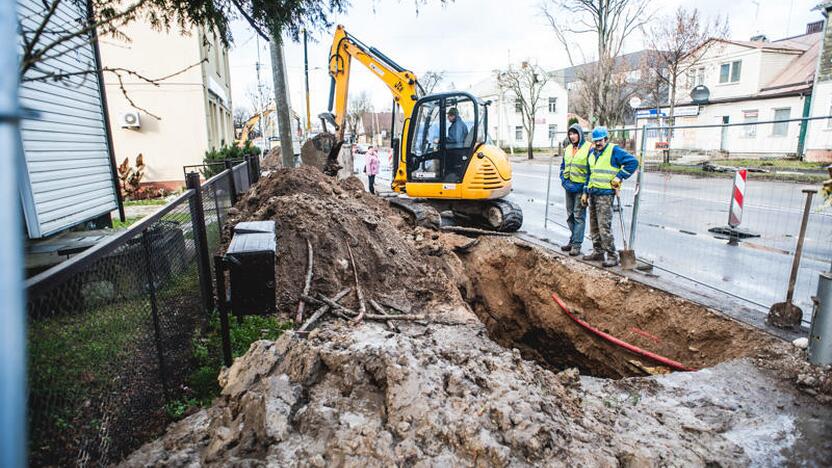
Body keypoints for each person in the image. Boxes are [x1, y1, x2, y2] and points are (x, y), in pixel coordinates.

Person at [581, 126, 639, 267]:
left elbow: (633, 162)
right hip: (593, 193)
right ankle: (598, 251)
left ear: (606, 139)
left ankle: (612, 255)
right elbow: (590, 173)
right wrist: (585, 192)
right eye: (595, 141)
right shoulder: (592, 153)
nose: (598, 143)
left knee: (604, 227)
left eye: (600, 140)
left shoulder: (614, 151)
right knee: (594, 226)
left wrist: (619, 177)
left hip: (605, 195)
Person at [560, 123, 591, 256]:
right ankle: (573, 240)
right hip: (569, 186)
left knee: (579, 216)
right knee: (570, 215)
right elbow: (563, 165)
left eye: (575, 133)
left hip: (580, 188)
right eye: (570, 134)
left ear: (580, 134)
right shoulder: (567, 149)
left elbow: (590, 170)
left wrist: (586, 190)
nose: (572, 136)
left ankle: (577, 245)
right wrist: (563, 179)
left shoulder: (588, 148)